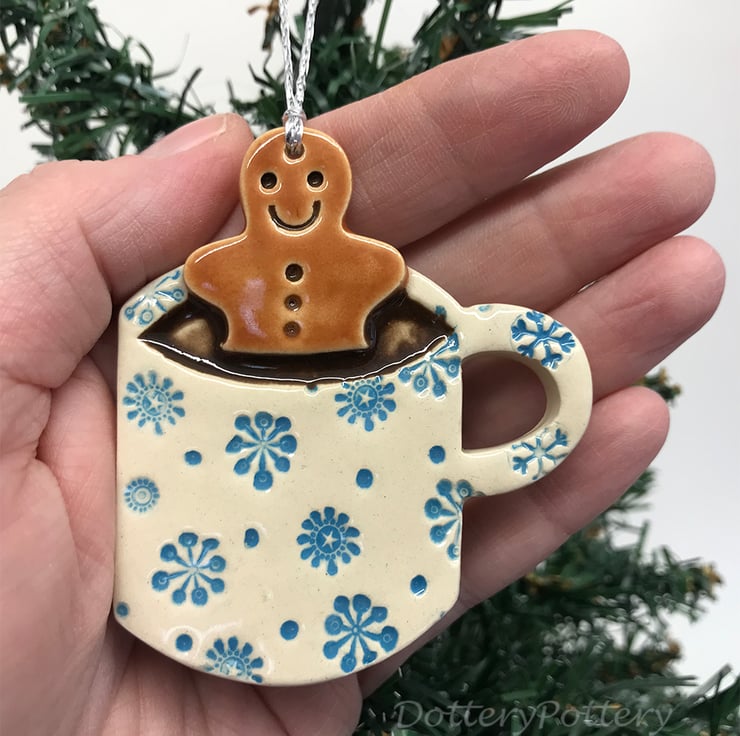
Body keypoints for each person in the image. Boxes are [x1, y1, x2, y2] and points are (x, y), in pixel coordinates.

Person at [0, 30, 724, 735]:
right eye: (274, 183)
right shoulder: (209, 280)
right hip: (197, 602)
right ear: (255, 187)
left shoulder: (380, 277)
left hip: (346, 600)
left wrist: (462, 466)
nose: (292, 198)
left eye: (311, 181)